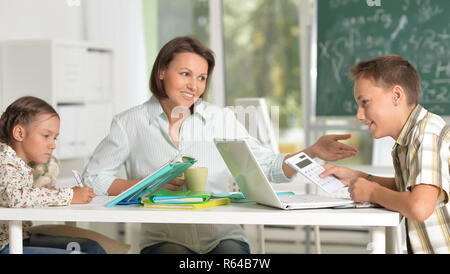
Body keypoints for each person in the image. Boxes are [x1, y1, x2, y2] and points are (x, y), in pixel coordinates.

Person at [83, 36, 358, 254]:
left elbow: (266, 165)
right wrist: (147, 184)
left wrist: (310, 152)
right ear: (162, 72)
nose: (194, 86)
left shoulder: (220, 119)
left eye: (201, 78)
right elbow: (93, 179)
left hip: (222, 237)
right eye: (185, 74)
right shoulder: (129, 123)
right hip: (163, 239)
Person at [320, 55, 449, 254]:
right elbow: (412, 187)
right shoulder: (410, 137)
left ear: (396, 96)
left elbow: (419, 207)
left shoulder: (426, 134)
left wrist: (372, 192)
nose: (359, 115)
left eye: (365, 103)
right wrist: (358, 177)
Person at [0, 96, 106, 254]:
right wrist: (69, 196)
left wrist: (48, 193)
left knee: (91, 247)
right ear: (19, 133)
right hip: (6, 245)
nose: (53, 145)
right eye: (46, 136)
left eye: (55, 138)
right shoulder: (4, 162)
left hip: (20, 237)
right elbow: (16, 197)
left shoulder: (19, 165)